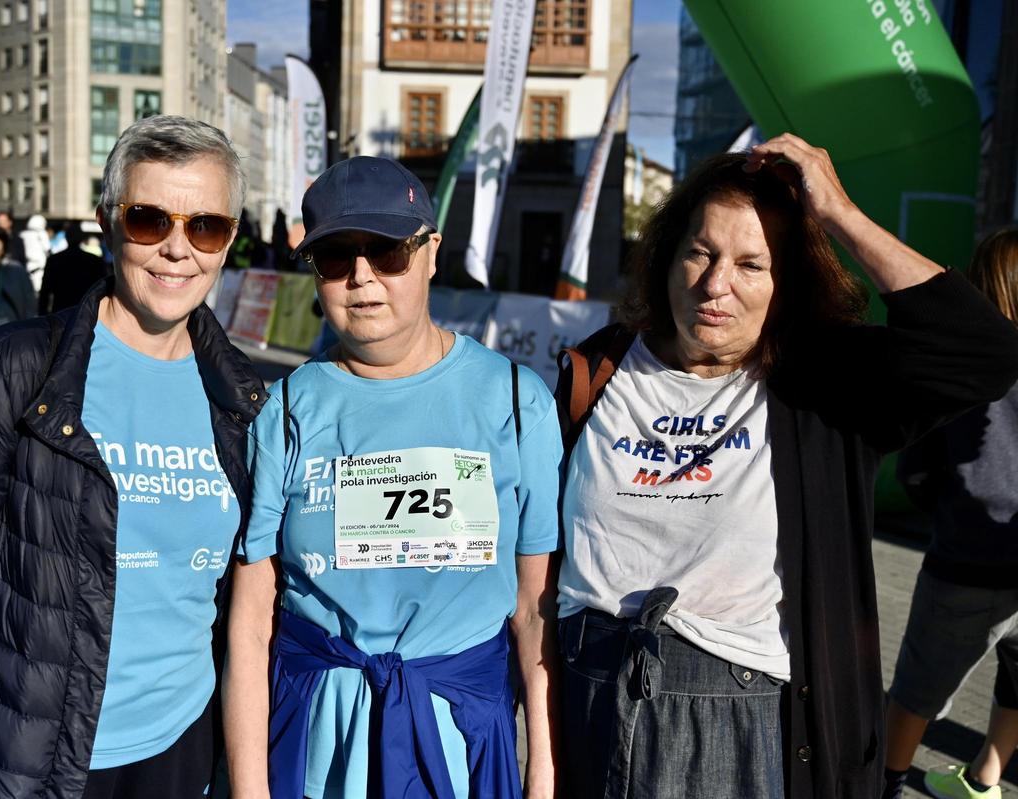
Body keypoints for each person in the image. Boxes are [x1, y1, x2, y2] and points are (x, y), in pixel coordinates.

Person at [554, 134, 1018, 799]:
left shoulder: (824, 382)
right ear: (666, 257)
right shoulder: (597, 368)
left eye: (751, 264)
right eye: (700, 252)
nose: (716, 284)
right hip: (591, 701)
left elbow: (986, 353)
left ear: (787, 283)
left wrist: (839, 213)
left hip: (742, 720)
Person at [0, 114, 265, 798]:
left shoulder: (242, 396)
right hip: (20, 754)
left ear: (228, 239)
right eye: (149, 220)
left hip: (180, 747)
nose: (177, 249)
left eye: (205, 226)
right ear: (108, 223)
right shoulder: (17, 367)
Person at [224, 157, 561, 799]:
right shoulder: (287, 411)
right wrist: (249, 789)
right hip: (319, 743)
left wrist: (542, 769)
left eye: (386, 252)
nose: (361, 277)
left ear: (431, 253)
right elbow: (251, 623)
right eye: (335, 258)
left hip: (460, 741)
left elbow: (532, 611)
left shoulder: (517, 403)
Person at [880, 227, 1018, 799]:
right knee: (1016, 680)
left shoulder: (967, 366)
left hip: (967, 560)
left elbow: (917, 470)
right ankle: (985, 779)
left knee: (917, 691)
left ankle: (886, 784)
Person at [39, 221, 112, 315]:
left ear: (66, 237)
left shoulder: (54, 260)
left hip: (60, 311)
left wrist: (42, 315)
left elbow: (45, 292)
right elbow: (103, 288)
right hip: (85, 311)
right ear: (81, 238)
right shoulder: (94, 260)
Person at [20, 212, 53, 291]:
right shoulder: (41, 234)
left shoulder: (22, 234)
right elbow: (48, 249)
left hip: (25, 265)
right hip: (39, 266)